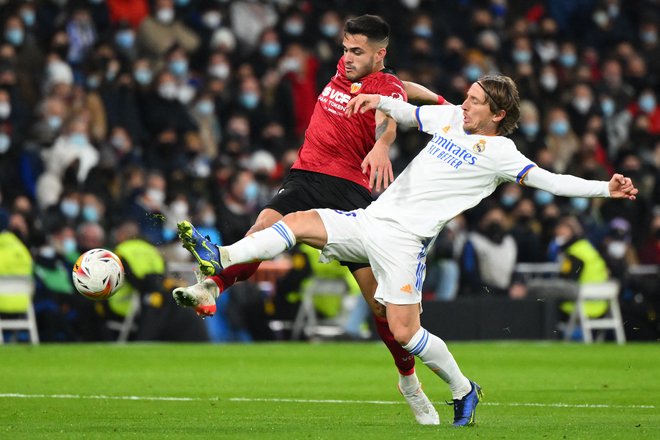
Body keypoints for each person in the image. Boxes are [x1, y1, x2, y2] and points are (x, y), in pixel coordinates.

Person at [173, 74, 638, 426]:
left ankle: (462, 388)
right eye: (469, 96)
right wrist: (378, 100)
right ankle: (225, 257)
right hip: (372, 219)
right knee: (296, 223)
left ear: (496, 115)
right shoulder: (452, 119)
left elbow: (553, 183)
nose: (465, 103)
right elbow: (408, 111)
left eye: (475, 100)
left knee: (403, 333)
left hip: (406, 242)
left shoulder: (504, 154)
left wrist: (606, 188)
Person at [173, 15, 446, 425]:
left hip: (349, 193)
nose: (347, 57)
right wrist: (441, 101)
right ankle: (212, 286)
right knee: (261, 231)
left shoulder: (383, 87)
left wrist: (383, 146)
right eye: (344, 48)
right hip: (304, 176)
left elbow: (390, 113)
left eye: (357, 51)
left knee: (380, 304)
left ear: (379, 54)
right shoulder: (346, 71)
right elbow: (408, 88)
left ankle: (409, 381)